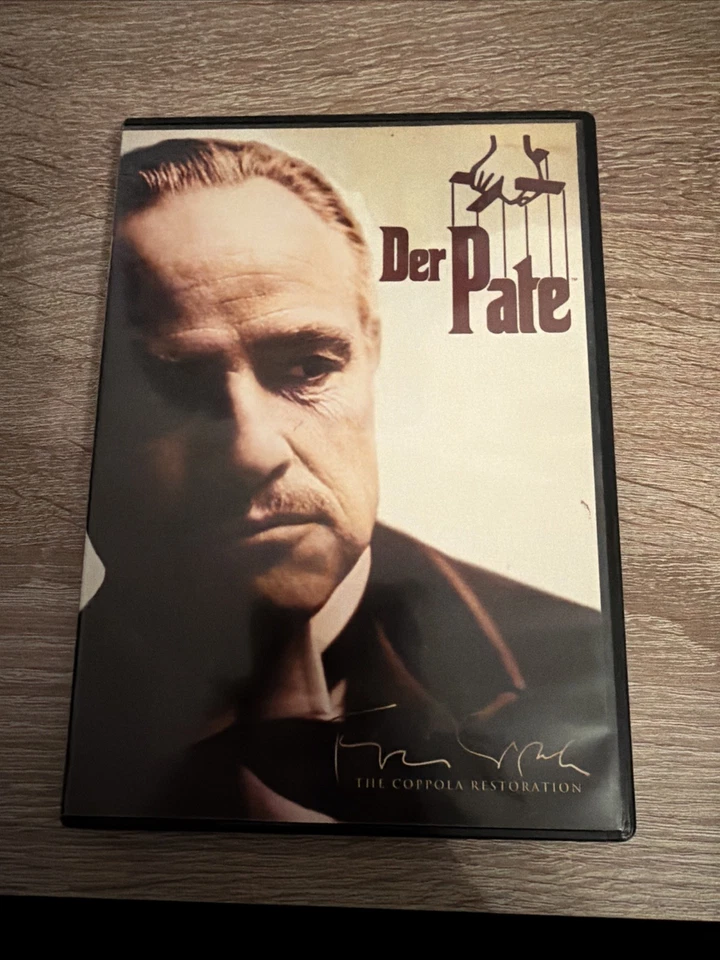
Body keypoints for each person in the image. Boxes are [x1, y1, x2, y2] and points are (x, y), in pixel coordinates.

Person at [64, 138, 616, 830]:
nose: (253, 452)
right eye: (172, 388)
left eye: (309, 367)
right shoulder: (42, 702)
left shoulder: (581, 669)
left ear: (372, 350)